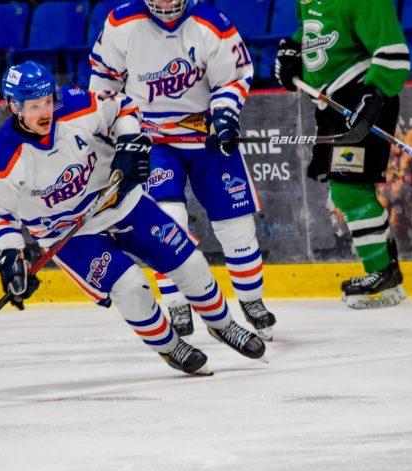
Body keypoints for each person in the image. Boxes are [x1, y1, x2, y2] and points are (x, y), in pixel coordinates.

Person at [0, 61, 266, 376]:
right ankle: (170, 347)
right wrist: (10, 254)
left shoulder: (76, 104)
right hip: (70, 234)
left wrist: (128, 144)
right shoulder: (0, 158)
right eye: (34, 106)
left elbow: (122, 107)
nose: (45, 112)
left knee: (188, 261)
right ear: (14, 106)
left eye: (47, 101)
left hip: (120, 202)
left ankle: (223, 324)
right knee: (131, 286)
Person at [87, 0, 277, 340]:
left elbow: (232, 80)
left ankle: (251, 299)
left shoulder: (211, 23)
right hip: (152, 139)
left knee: (236, 225)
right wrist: (109, 130)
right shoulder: (121, 22)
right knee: (167, 221)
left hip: (205, 136)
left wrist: (225, 115)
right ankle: (177, 302)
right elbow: (104, 83)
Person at [273, 0, 410, 309]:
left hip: (361, 96)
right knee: (346, 189)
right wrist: (294, 50)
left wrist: (374, 94)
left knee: (349, 189)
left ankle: (380, 272)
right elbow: (315, 29)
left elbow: (393, 51)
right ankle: (387, 273)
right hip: (332, 104)